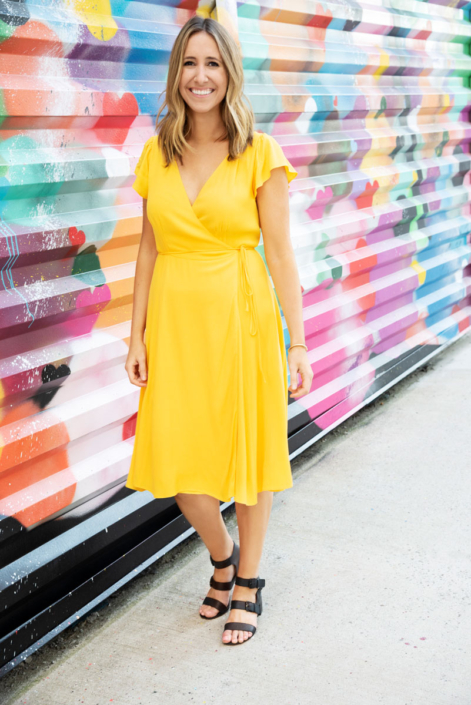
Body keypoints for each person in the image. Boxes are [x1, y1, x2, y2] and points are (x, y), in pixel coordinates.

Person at [124, 15, 313, 646]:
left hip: (243, 314)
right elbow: (148, 251)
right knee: (180, 470)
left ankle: (249, 583)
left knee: (252, 457)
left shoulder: (259, 152)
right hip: (176, 320)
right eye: (189, 63)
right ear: (176, 73)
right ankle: (222, 556)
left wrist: (299, 340)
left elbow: (281, 254)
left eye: (212, 64)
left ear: (230, 73)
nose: (199, 77)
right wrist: (135, 336)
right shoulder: (158, 152)